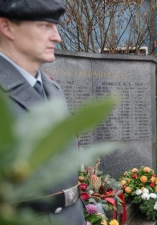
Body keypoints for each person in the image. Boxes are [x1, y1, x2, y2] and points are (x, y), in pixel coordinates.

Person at [0, 0, 86, 224]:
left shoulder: (51, 87)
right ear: (7, 27)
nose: (56, 36)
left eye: (55, 27)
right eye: (44, 26)